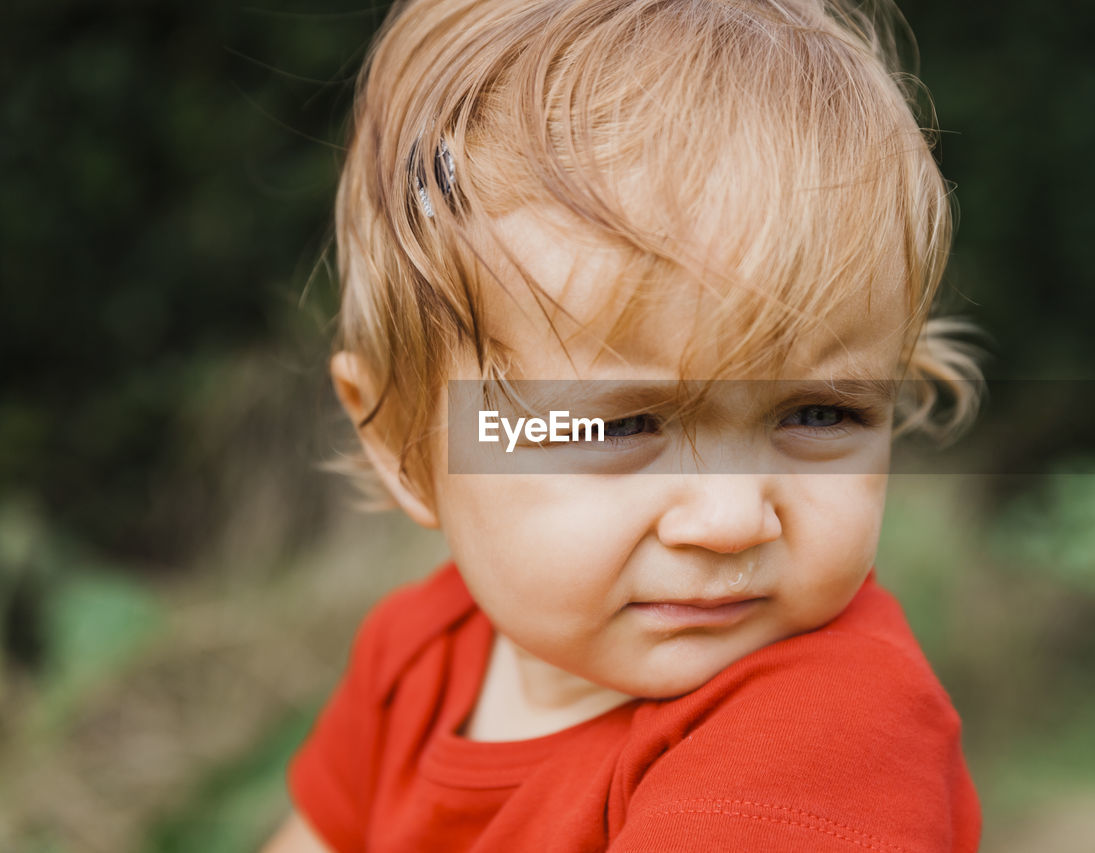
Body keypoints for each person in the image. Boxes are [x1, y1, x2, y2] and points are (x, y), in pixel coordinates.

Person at [262, 0, 985, 849]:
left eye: (820, 412)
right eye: (622, 425)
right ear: (403, 443)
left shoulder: (821, 739)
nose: (731, 520)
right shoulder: (416, 653)